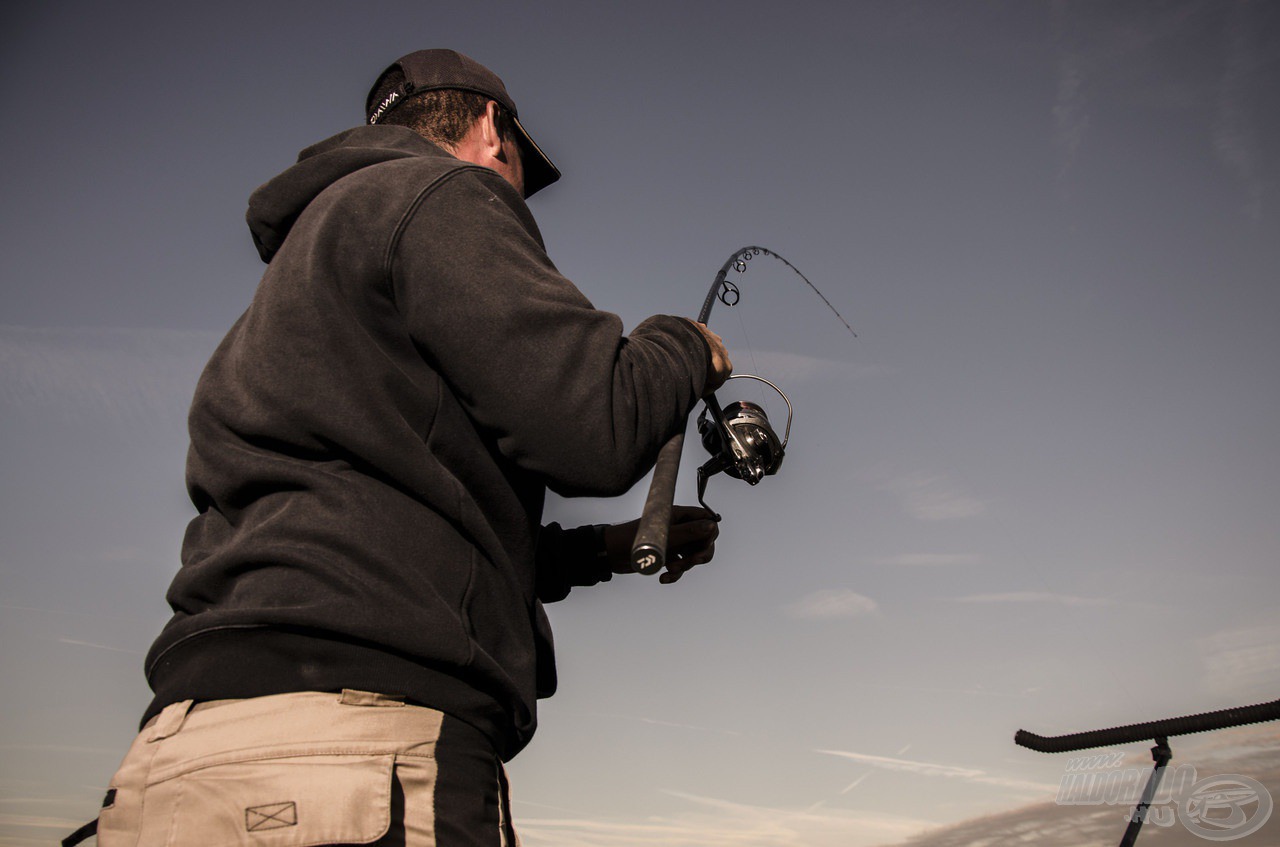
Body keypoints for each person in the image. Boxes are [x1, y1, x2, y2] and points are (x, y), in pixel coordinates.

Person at [78, 49, 731, 847]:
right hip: (356, 758)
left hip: (177, 765)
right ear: (493, 130)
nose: (518, 188)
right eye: (523, 164)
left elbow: (399, 524)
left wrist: (609, 548)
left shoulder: (294, 289)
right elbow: (596, 423)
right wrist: (685, 345)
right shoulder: (442, 194)